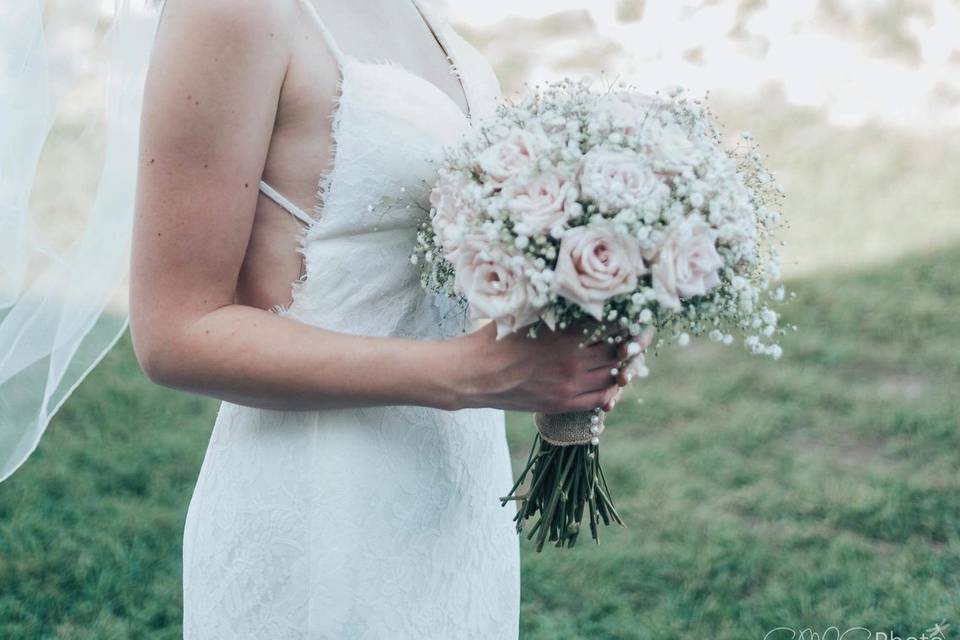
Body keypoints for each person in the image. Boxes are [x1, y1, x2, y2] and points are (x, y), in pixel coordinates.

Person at [4, 0, 648, 636]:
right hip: (322, 501)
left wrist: (563, 323)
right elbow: (176, 331)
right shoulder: (230, 12)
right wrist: (470, 374)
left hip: (456, 492)